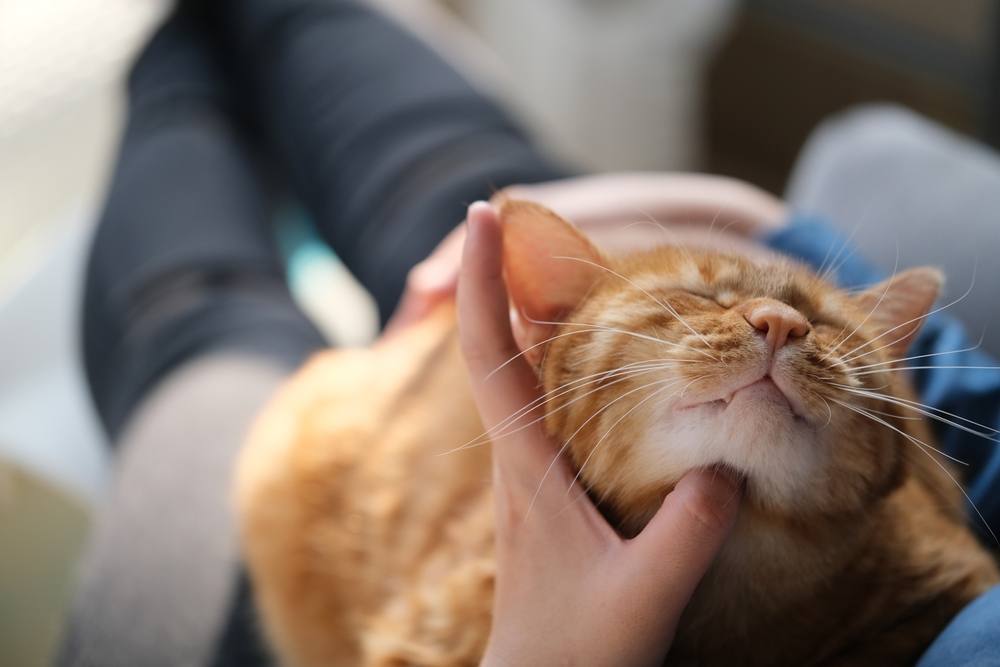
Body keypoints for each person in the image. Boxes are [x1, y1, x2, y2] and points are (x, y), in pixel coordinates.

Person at [63, 1, 1000, 665]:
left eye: (816, 329)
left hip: (343, 462)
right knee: (381, 99)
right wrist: (728, 210)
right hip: (583, 282)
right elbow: (935, 378)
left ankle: (159, 60)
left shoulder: (920, 597)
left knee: (199, 315)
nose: (777, 324)